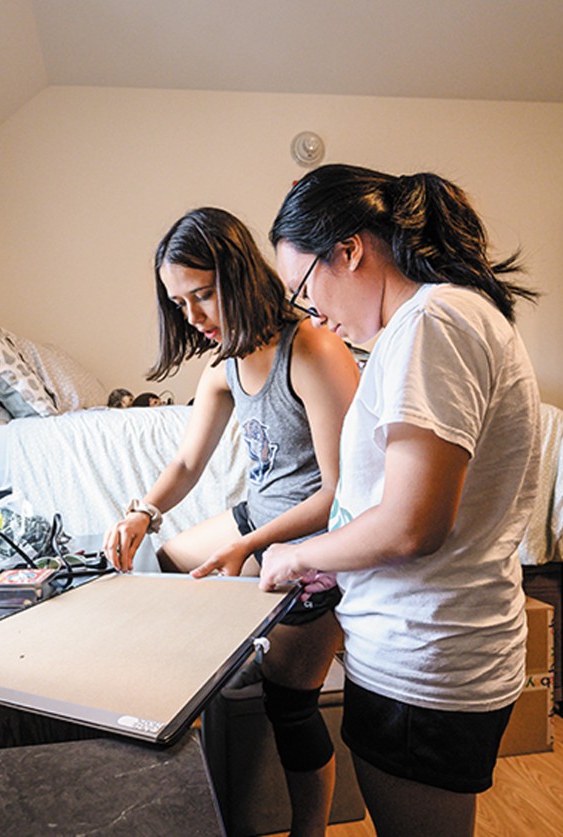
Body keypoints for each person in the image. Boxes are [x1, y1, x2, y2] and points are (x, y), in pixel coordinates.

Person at [260, 163, 542, 837]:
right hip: (421, 644)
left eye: (304, 289)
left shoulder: (432, 322)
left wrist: (298, 555)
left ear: (350, 251)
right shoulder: (428, 323)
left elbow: (413, 523)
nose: (314, 314)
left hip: (426, 656)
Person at [104, 206, 359, 836]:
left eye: (203, 294)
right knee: (166, 565)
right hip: (261, 518)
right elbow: (189, 461)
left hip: (318, 542)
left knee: (289, 705)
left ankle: (310, 830)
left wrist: (247, 546)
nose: (193, 316)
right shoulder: (222, 366)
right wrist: (143, 512)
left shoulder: (314, 349)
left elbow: (342, 493)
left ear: (240, 275)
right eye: (178, 302)